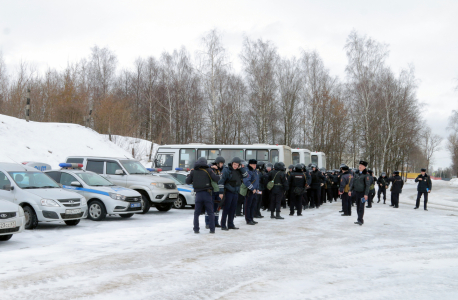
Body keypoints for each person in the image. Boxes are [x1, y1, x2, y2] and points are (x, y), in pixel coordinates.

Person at [186, 157, 221, 234]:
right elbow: (216, 179)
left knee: (196, 213)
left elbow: (187, 181)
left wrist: (190, 174)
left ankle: (196, 229)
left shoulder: (193, 171)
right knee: (210, 212)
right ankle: (212, 229)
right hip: (207, 194)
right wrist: (218, 173)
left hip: (198, 194)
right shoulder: (209, 170)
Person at [218, 157, 248, 231]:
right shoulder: (226, 170)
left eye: (237, 165)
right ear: (232, 163)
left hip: (236, 192)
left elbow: (246, 175)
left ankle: (231, 224)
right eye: (234, 164)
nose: (235, 166)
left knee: (233, 209)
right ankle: (223, 225)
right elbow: (221, 182)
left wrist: (241, 168)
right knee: (226, 209)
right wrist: (221, 192)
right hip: (228, 192)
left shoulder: (238, 171)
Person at [205, 157, 225, 229]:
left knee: (217, 208)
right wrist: (211, 166)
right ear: (217, 163)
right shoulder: (211, 168)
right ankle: (208, 223)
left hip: (218, 191)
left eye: (222, 163)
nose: (222, 165)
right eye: (221, 163)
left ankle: (216, 222)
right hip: (211, 191)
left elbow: (221, 181)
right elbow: (205, 166)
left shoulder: (220, 170)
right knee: (209, 208)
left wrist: (221, 192)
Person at [349, 161, 370, 226]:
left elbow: (367, 185)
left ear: (364, 167)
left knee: (361, 207)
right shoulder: (356, 173)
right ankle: (359, 219)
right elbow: (353, 183)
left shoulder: (366, 175)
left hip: (362, 193)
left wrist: (366, 194)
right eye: (359, 165)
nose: (360, 166)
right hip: (356, 192)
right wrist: (350, 190)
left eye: (361, 165)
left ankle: (360, 220)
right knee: (357, 206)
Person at [243, 159, 260, 225]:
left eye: (255, 164)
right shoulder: (248, 171)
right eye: (253, 164)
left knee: (253, 205)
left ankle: (251, 218)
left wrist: (257, 188)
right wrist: (252, 189)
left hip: (255, 191)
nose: (254, 166)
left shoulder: (255, 171)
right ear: (250, 164)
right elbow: (246, 181)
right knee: (248, 206)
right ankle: (248, 219)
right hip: (249, 191)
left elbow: (257, 181)